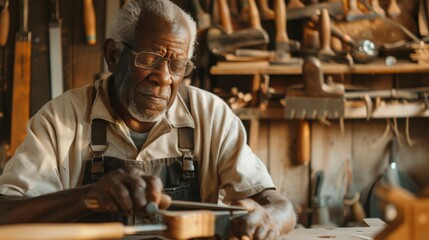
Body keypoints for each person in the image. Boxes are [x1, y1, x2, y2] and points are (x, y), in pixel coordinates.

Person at [0, 0, 296, 238]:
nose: (164, 78)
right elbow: (5, 213)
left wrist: (268, 219)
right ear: (113, 55)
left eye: (177, 65)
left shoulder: (210, 116)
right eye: (149, 59)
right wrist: (86, 197)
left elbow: (279, 206)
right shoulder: (60, 120)